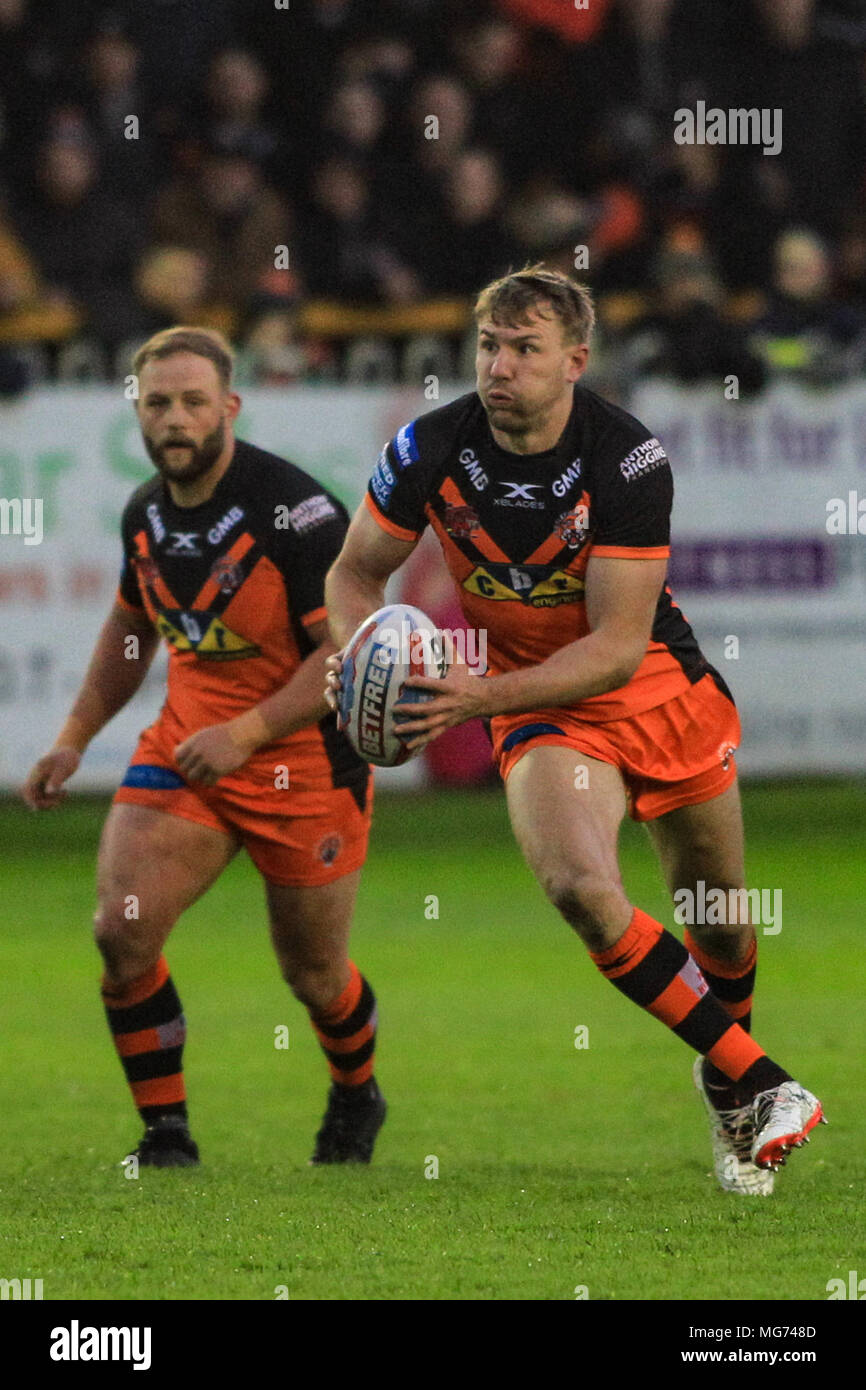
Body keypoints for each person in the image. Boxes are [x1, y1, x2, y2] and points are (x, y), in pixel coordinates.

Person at [324, 265, 825, 1196]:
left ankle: (726, 1094)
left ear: (575, 362)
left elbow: (617, 649)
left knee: (718, 923)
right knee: (579, 887)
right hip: (538, 706)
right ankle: (765, 1081)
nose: (500, 366)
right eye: (488, 346)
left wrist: (477, 698)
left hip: (651, 686)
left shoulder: (625, 458)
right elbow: (356, 572)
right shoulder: (429, 446)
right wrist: (362, 652)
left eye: (524, 349)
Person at [22, 326, 384, 1168]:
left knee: (316, 976)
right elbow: (128, 625)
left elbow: (344, 651)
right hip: (189, 752)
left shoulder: (296, 513)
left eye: (192, 402)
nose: (174, 419)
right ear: (137, 412)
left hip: (303, 760)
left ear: (230, 406)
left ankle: (356, 1090)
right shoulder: (145, 510)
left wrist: (250, 732)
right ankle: (166, 1135)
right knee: (121, 932)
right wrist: (74, 739)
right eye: (157, 404)